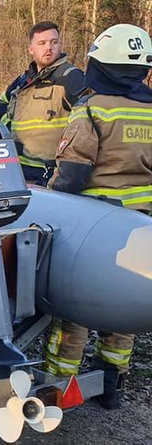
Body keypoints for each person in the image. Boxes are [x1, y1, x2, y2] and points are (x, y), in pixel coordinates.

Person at [44, 23, 152, 409]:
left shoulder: (94, 108)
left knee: (73, 313)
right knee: (121, 315)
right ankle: (111, 388)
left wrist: (49, 204)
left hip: (94, 226)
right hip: (141, 228)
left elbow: (71, 173)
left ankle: (60, 388)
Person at [0, 21, 86, 185]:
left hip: (51, 174)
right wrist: (9, 131)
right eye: (42, 43)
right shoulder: (23, 81)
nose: (49, 48)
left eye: (54, 42)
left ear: (60, 45)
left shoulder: (71, 78)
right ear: (31, 49)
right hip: (20, 171)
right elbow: (3, 102)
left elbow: (88, 127)